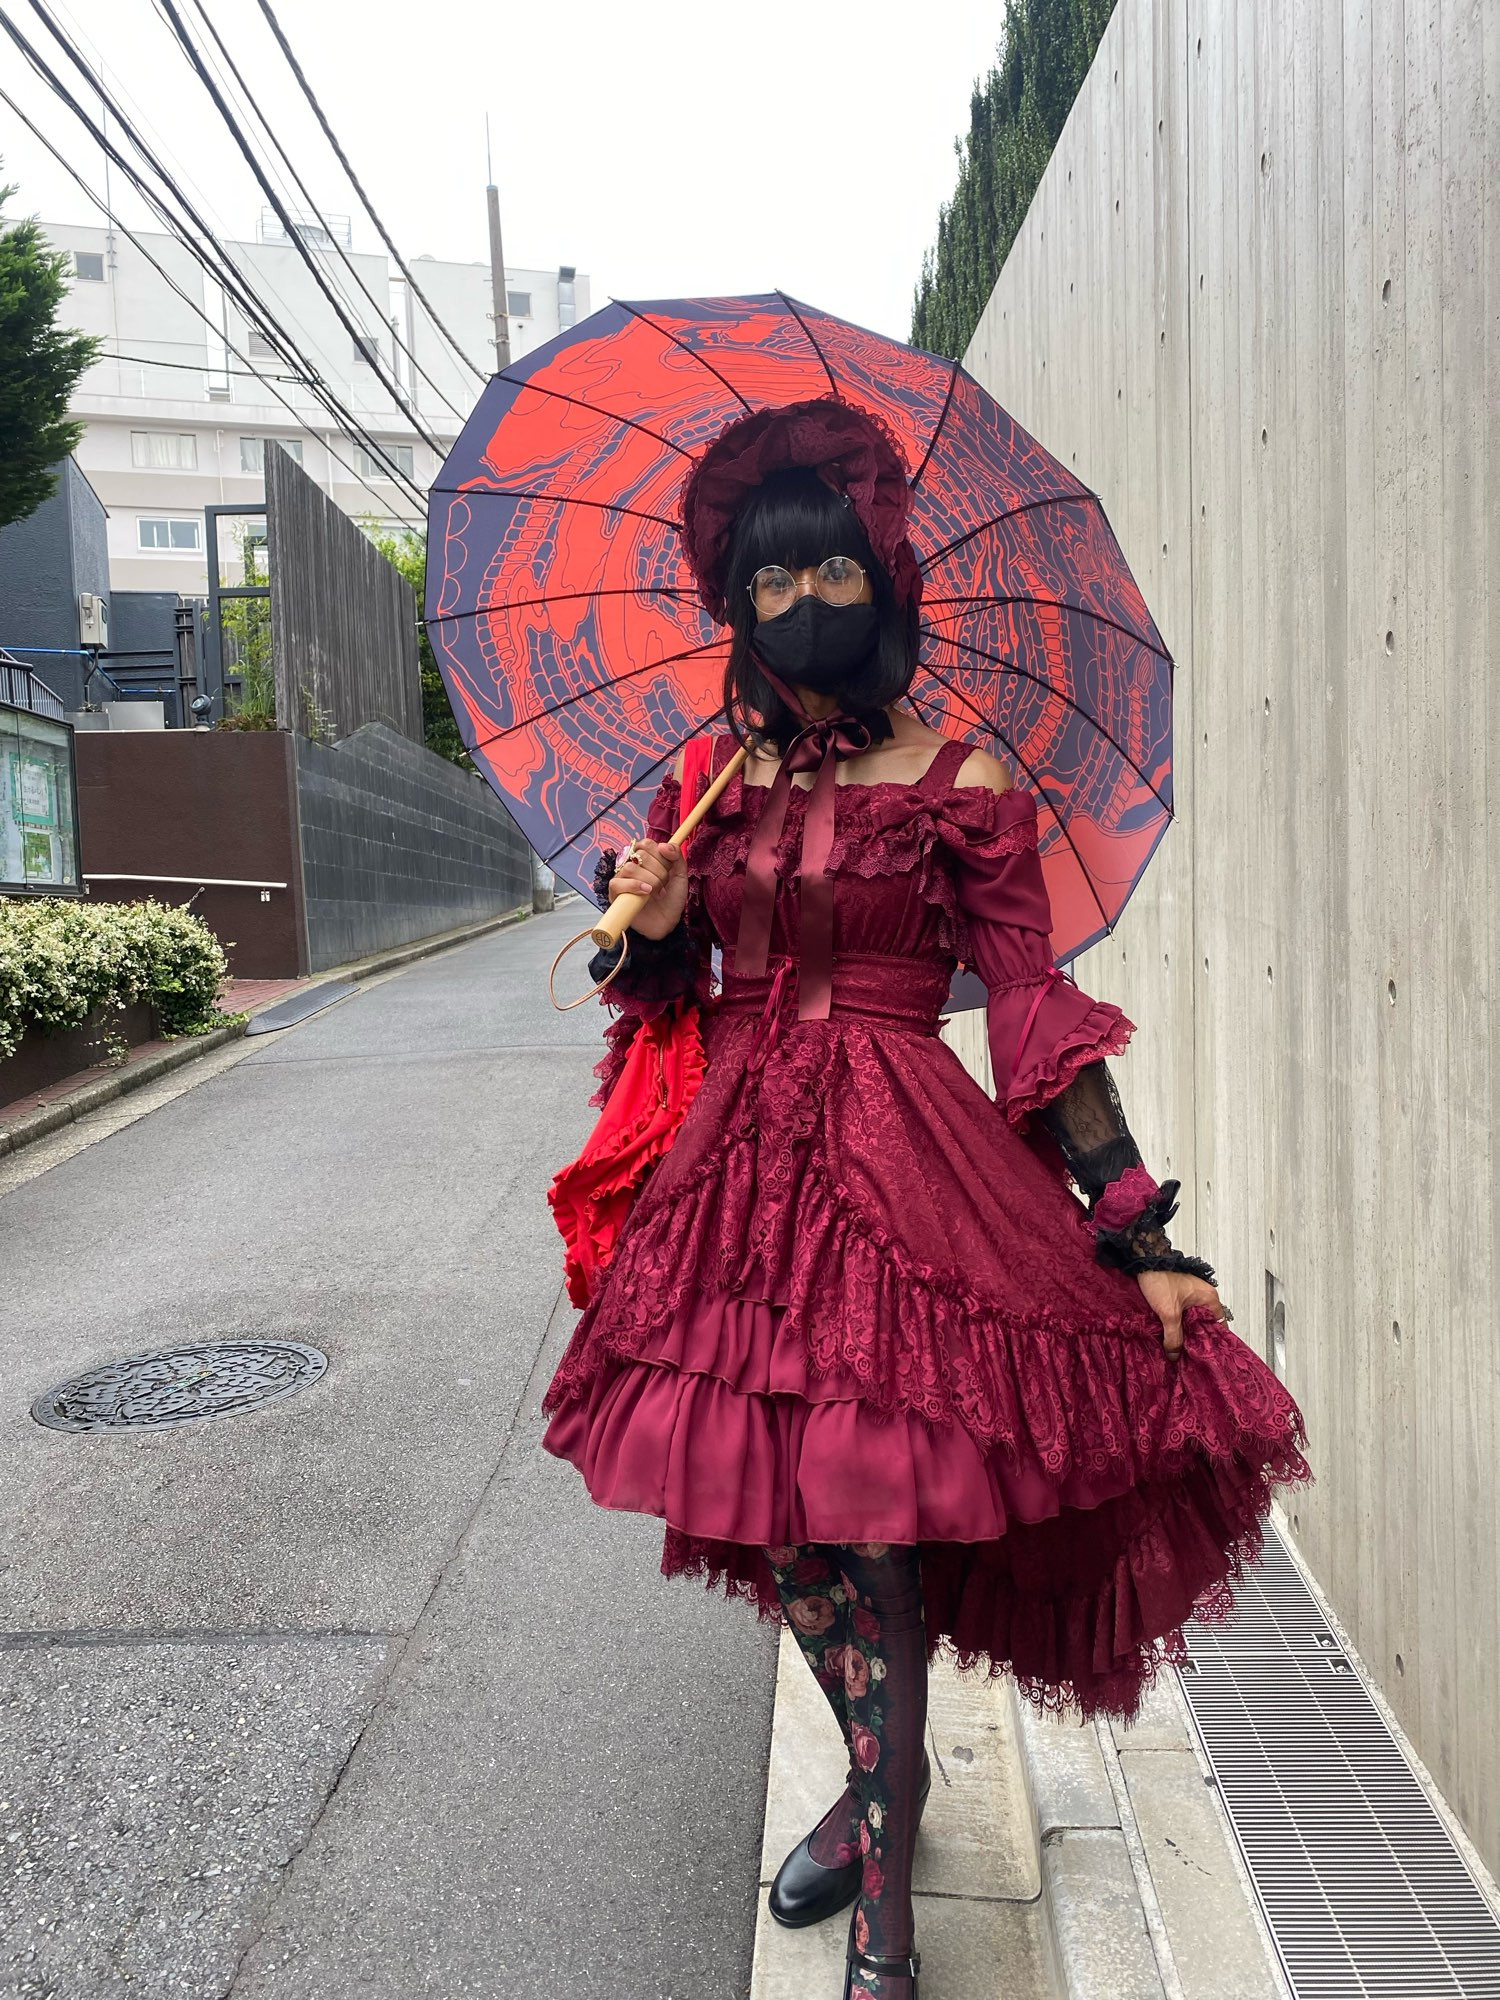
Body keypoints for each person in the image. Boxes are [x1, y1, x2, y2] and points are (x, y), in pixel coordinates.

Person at [541, 398, 1308, 2000]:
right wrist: (658, 921)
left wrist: (1138, 1232)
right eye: (760, 587)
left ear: (878, 583)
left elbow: (1032, 1012)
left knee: (874, 1527)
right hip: (738, 1184)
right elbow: (658, 992)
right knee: (799, 1526)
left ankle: (887, 1887)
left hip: (905, 1165)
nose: (793, 608)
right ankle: (884, 1779)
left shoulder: (966, 777)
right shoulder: (712, 778)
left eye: (823, 575)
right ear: (729, 606)